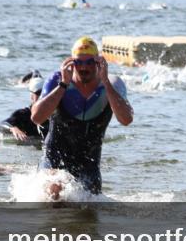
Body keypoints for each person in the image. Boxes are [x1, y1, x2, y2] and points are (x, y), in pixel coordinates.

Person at [30, 37, 133, 197]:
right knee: (54, 189)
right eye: (78, 62)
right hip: (54, 160)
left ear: (98, 62)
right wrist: (63, 85)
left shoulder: (112, 83)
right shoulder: (57, 80)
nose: (84, 67)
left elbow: (126, 119)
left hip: (89, 163)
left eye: (90, 62)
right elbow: (36, 118)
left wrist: (105, 82)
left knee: (88, 212)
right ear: (71, 63)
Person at [0, 76, 48, 143]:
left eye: (44, 93)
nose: (41, 96)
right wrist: (13, 128)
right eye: (38, 93)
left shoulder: (53, 115)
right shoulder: (23, 114)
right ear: (31, 96)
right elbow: (2, 125)